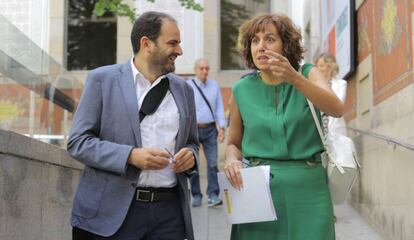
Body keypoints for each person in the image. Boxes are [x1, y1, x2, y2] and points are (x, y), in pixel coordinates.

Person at [67, 11, 199, 240]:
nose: (179, 50)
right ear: (146, 43)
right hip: (112, 214)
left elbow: (192, 143)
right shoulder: (102, 80)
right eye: (173, 43)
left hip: (170, 215)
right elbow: (78, 142)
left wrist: (190, 156)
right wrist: (130, 155)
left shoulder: (184, 89)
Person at [223, 13, 344, 240]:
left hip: (309, 187)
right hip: (257, 189)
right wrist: (231, 159)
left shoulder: (308, 73)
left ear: (285, 45)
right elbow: (233, 143)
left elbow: (336, 108)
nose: (260, 47)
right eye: (255, 41)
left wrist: (294, 78)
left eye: (269, 39)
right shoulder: (241, 89)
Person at [187, 59, 226, 207]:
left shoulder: (214, 85)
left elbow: (219, 108)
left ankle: (213, 195)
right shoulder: (188, 86)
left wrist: (221, 128)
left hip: (210, 130)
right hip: (193, 130)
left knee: (212, 164)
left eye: (207, 69)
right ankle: (196, 195)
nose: (205, 71)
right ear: (195, 69)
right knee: (193, 165)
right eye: (202, 68)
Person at [315, 53, 348, 136]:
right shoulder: (313, 86)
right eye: (317, 66)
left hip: (337, 132)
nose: (318, 69)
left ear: (330, 67)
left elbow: (338, 103)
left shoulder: (341, 84)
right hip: (318, 132)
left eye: (321, 66)